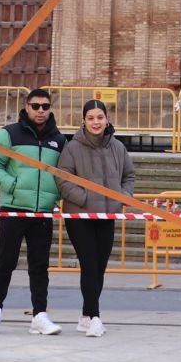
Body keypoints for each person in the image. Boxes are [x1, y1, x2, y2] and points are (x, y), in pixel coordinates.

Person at [0, 88, 66, 336]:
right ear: (26, 106)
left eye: (45, 106)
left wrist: (55, 196)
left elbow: (64, 173)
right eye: (36, 106)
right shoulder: (9, 134)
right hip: (14, 209)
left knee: (40, 265)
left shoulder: (59, 140)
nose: (41, 111)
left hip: (42, 213)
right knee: (5, 262)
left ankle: (40, 315)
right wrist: (12, 186)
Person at [57, 98, 137, 338]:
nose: (96, 122)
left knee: (99, 267)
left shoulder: (118, 147)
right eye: (91, 118)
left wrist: (122, 197)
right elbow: (63, 179)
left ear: (107, 119)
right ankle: (95, 317)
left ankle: (85, 315)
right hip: (79, 216)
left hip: (107, 214)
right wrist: (84, 198)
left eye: (99, 117)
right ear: (84, 120)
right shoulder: (72, 147)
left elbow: (129, 175)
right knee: (90, 265)